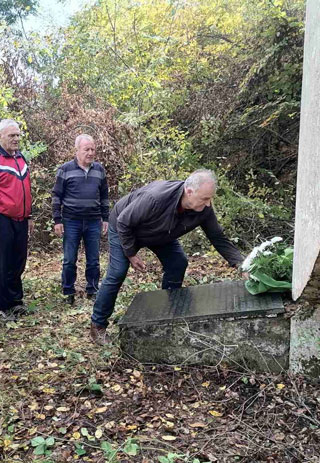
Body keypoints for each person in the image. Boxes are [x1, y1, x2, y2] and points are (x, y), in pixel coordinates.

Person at [90, 169, 245, 344]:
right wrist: (131, 254)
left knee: (178, 263)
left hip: (160, 232)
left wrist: (242, 265)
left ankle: (168, 314)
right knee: (117, 272)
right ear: (189, 191)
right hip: (124, 227)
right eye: (204, 198)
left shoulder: (204, 209)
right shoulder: (156, 198)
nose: (208, 204)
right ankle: (98, 325)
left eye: (210, 198)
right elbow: (124, 222)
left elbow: (218, 238)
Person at [0, 119, 33, 320]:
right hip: (1, 219)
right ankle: (4, 306)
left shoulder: (21, 158)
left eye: (18, 135)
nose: (16, 139)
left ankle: (16, 301)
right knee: (3, 263)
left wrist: (29, 215)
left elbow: (26, 189)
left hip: (21, 219)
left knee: (19, 260)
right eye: (11, 135)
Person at [52, 134, 109, 305]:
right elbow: (56, 196)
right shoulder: (65, 169)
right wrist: (57, 220)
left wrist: (105, 218)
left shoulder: (99, 170)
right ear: (77, 150)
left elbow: (104, 196)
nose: (90, 153)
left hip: (93, 221)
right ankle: (68, 291)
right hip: (71, 221)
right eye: (87, 149)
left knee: (94, 259)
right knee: (69, 259)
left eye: (93, 149)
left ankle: (92, 290)